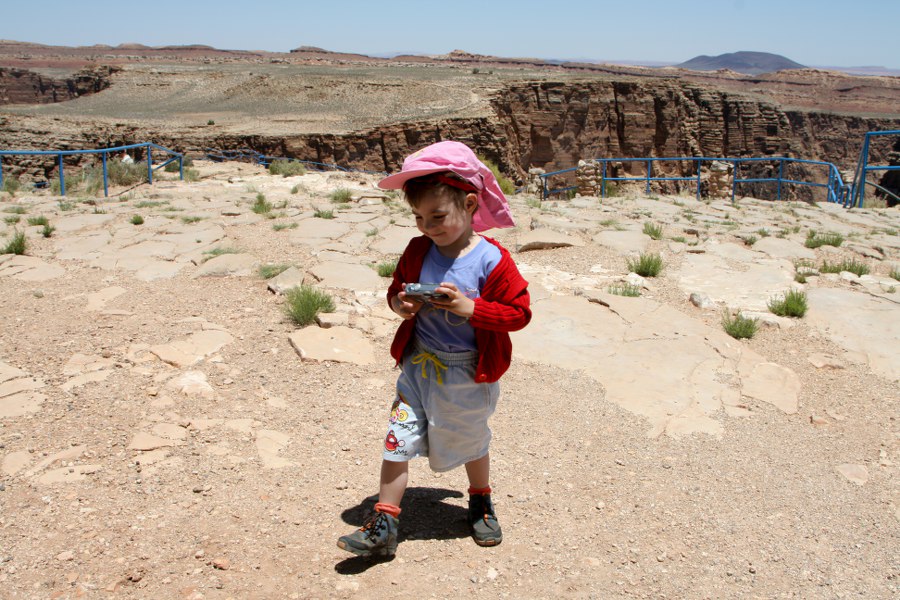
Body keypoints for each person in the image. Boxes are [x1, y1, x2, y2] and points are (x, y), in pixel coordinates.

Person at [337, 141, 531, 558]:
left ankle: (480, 499)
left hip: (465, 373)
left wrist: (469, 307)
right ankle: (384, 520)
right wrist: (400, 305)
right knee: (397, 439)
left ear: (470, 202)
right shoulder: (417, 250)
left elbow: (518, 313)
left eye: (438, 216)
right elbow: (395, 290)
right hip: (417, 367)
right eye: (419, 218)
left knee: (469, 438)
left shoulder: (492, 260)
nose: (428, 226)